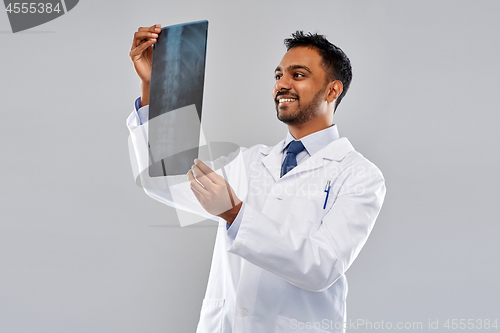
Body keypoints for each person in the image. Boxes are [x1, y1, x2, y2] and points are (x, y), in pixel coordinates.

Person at [127, 24, 386, 333]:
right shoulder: (250, 162)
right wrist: (154, 88)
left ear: (333, 90)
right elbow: (169, 183)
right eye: (279, 76)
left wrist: (235, 214)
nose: (282, 84)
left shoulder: (359, 175)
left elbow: (322, 265)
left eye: (298, 75)